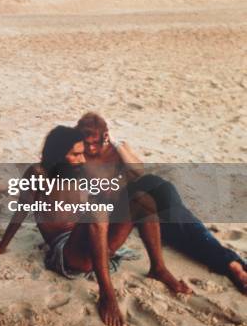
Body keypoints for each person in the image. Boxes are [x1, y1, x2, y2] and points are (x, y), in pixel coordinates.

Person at [0, 125, 190, 326]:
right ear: (59, 155)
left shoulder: (81, 171)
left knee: (143, 200)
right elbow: (22, 209)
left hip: (97, 241)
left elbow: (130, 179)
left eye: (82, 153)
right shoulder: (38, 174)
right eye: (75, 154)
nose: (81, 159)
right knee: (96, 213)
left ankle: (158, 268)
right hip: (68, 253)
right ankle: (107, 295)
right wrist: (2, 245)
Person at [76, 111, 247, 295]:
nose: (91, 148)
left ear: (106, 136)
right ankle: (232, 263)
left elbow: (138, 171)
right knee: (182, 224)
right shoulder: (79, 157)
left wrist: (117, 146)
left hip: (145, 198)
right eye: (87, 143)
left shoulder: (118, 148)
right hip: (126, 209)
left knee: (178, 220)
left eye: (95, 142)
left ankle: (231, 264)